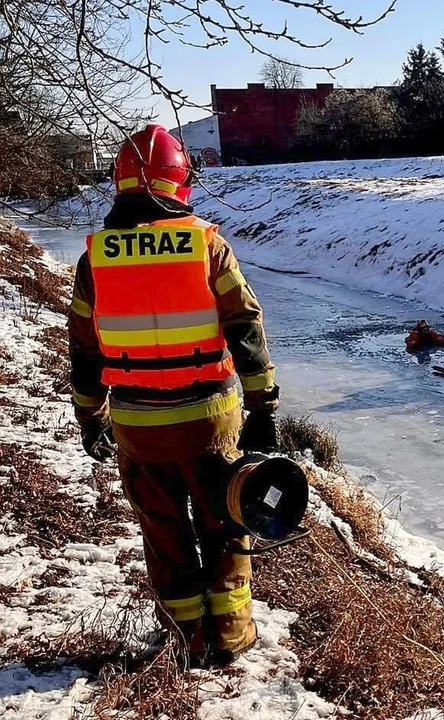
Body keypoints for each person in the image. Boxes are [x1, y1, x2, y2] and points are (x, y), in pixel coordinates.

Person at [68, 124, 279, 667]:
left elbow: (85, 350)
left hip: (138, 427)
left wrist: (90, 417)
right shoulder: (206, 245)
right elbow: (245, 326)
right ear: (181, 179)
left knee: (164, 532)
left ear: (120, 182)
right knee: (225, 522)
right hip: (211, 418)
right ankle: (230, 635)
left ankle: (186, 641)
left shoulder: (96, 259)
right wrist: (263, 406)